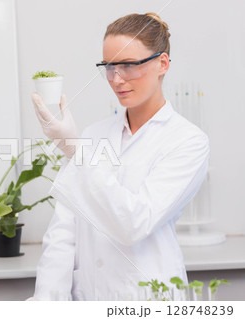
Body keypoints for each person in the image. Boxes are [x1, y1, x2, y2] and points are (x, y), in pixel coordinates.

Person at [27, 12, 210, 301]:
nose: (116, 79)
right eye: (109, 67)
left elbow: (134, 223)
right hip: (90, 297)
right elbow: (63, 233)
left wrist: (77, 150)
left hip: (148, 297)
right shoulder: (93, 135)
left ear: (162, 63)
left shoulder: (187, 141)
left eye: (128, 65)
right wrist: (47, 303)